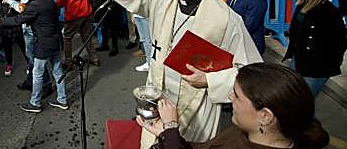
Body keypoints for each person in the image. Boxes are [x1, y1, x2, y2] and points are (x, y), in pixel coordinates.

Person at [83, 0, 262, 148]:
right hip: (157, 104)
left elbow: (253, 74)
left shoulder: (227, 21)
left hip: (196, 109)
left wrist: (209, 80)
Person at [137, 63, 330, 149]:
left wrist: (171, 128)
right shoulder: (246, 131)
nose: (230, 97)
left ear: (265, 116)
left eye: (237, 96)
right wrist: (165, 134)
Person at [0, 0, 68, 113]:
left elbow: (18, 20)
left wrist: (0, 21)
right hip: (55, 40)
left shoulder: (35, 4)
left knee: (37, 73)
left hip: (44, 43)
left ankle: (35, 103)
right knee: (57, 70)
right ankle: (62, 99)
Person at [284, 0, 347, 96]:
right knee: (291, 96)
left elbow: (339, 43)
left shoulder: (330, 13)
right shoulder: (302, 3)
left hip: (317, 66)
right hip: (299, 59)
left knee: (303, 101)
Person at [55, 0, 99, 67]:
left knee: (67, 38)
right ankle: (94, 58)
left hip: (74, 15)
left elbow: (59, 3)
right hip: (86, 11)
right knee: (87, 36)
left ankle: (68, 62)